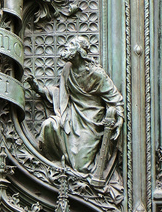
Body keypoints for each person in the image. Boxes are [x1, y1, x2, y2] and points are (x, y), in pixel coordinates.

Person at [28, 36, 123, 191]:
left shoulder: (96, 74)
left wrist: (118, 117)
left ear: (80, 51)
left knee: (81, 167)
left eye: (71, 44)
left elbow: (116, 99)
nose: (66, 46)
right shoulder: (67, 69)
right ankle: (58, 164)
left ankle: (77, 176)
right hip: (71, 116)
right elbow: (61, 93)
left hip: (91, 120)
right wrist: (39, 89)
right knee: (49, 125)